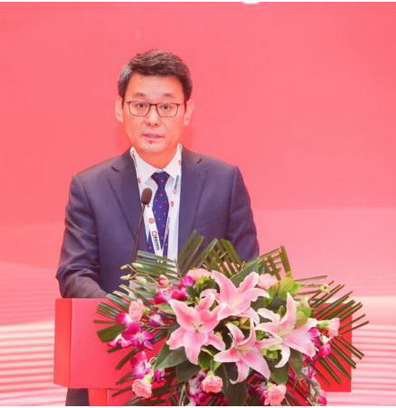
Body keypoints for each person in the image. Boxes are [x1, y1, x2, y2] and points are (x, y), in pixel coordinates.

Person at [56, 50, 259, 405]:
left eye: (166, 107)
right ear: (119, 109)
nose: (152, 119)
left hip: (203, 375)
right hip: (115, 369)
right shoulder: (90, 187)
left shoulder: (223, 181)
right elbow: (74, 273)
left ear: (187, 111)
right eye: (140, 105)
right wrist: (128, 316)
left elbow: (247, 273)